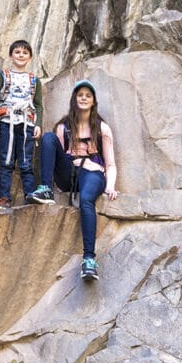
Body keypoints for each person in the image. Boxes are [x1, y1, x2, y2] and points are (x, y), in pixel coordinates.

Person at [27, 79, 117, 281]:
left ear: (93, 101)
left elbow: (110, 163)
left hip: (92, 173)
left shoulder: (102, 128)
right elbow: (56, 154)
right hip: (69, 172)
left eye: (88, 95)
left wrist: (110, 185)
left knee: (86, 200)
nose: (83, 98)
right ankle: (46, 189)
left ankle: (89, 260)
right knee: (48, 137)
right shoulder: (64, 127)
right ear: (74, 99)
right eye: (80, 95)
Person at [0, 40, 43, 210]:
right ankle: (4, 198)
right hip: (6, 122)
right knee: (6, 161)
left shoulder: (34, 80)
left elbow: (38, 105)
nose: (21, 55)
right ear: (11, 55)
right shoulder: (3, 76)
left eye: (25, 53)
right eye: (17, 52)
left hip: (26, 123)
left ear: (30, 57)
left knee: (26, 162)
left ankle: (29, 195)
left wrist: (38, 124)